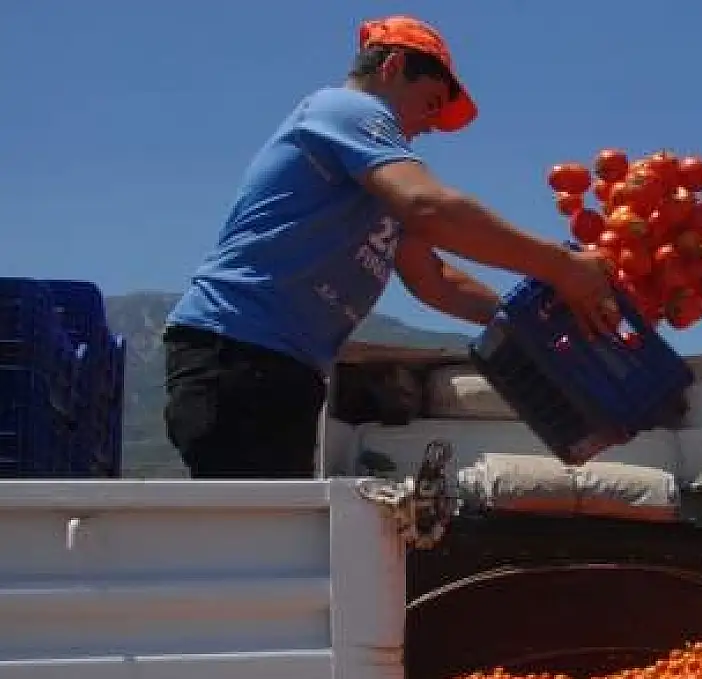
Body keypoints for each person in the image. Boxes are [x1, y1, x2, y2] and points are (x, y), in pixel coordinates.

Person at [163, 16, 620, 479]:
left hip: (281, 370)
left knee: (272, 535)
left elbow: (433, 279)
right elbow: (429, 207)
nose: (429, 126)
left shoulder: (376, 179)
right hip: (238, 353)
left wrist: (526, 319)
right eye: (430, 104)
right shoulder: (347, 110)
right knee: (258, 538)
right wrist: (561, 267)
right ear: (393, 66)